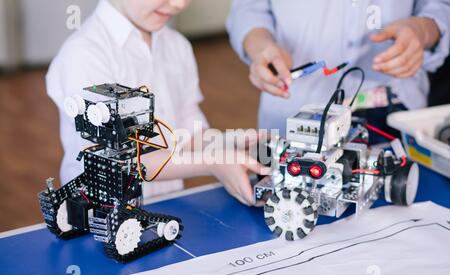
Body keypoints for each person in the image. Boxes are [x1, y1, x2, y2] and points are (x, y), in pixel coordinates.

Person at [47, 0, 269, 206]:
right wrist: (213, 161)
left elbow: (185, 129)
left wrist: (225, 144)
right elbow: (122, 158)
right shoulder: (83, 56)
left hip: (166, 205)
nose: (180, 4)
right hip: (101, 211)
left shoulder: (177, 46)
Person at [227, 0, 450, 142]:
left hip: (397, 113)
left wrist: (422, 29)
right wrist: (261, 46)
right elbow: (248, 8)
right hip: (297, 116)